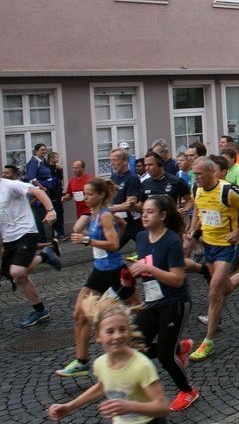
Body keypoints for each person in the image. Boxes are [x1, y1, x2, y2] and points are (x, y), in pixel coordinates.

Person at [56, 178, 140, 378]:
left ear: (101, 195)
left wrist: (87, 240)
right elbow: (123, 223)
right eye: (85, 194)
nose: (85, 197)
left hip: (115, 272)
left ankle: (163, 344)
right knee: (79, 314)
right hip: (99, 271)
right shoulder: (95, 214)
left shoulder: (104, 215)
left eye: (90, 194)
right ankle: (82, 362)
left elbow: (113, 245)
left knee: (138, 310)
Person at [188, 157, 239, 361]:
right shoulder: (197, 190)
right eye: (194, 174)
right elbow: (198, 210)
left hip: (227, 247)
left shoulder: (227, 190)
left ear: (211, 172)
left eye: (199, 174)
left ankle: (208, 342)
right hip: (209, 245)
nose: (195, 177)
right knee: (225, 289)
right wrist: (192, 231)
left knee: (214, 291)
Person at [48, 298, 170, 424]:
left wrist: (131, 406)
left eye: (122, 329)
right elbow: (102, 387)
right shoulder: (100, 364)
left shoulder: (141, 365)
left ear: (129, 332)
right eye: (110, 331)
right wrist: (69, 407)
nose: (117, 336)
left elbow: (163, 407)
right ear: (98, 336)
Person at [129, 195, 199, 412]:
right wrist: (130, 275)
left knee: (165, 355)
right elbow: (146, 269)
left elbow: (178, 279)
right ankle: (180, 346)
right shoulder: (141, 237)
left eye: (150, 211)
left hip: (174, 301)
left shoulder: (171, 241)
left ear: (162, 215)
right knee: (135, 345)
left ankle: (188, 390)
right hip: (152, 300)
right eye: (143, 211)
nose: (145, 215)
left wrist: (148, 269)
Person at [1, 174, 61, 327]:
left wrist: (51, 210)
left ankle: (44, 256)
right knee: (18, 277)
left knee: (17, 272)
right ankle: (40, 311)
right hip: (9, 239)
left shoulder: (10, 185)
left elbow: (38, 192)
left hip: (26, 232)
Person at [62, 159, 93, 228]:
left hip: (89, 210)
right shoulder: (72, 181)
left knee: (77, 229)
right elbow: (69, 194)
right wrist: (65, 198)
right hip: (80, 211)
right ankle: (90, 238)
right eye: (73, 168)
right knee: (83, 231)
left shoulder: (90, 179)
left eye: (77, 168)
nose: (74, 169)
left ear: (83, 168)